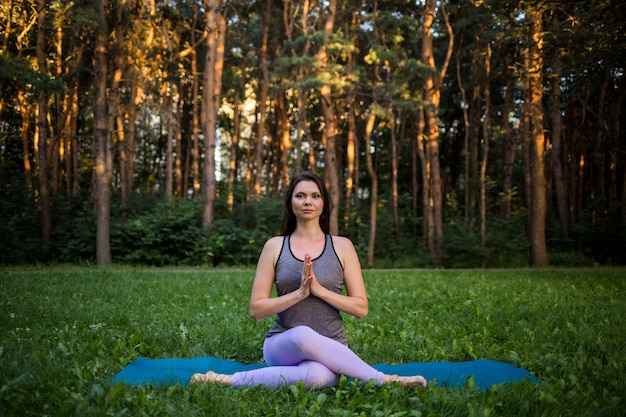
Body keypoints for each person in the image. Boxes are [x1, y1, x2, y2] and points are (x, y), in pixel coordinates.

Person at [189, 172, 427, 389]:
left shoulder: (343, 246)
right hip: (284, 345)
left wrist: (319, 291)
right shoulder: (274, 246)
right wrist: (300, 293)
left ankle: (225, 381)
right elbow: (256, 309)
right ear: (290, 203)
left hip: (332, 348)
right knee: (303, 334)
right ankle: (385, 381)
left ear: (324, 203)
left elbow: (361, 308)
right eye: (300, 196)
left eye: (315, 196)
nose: (307, 202)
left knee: (317, 378)